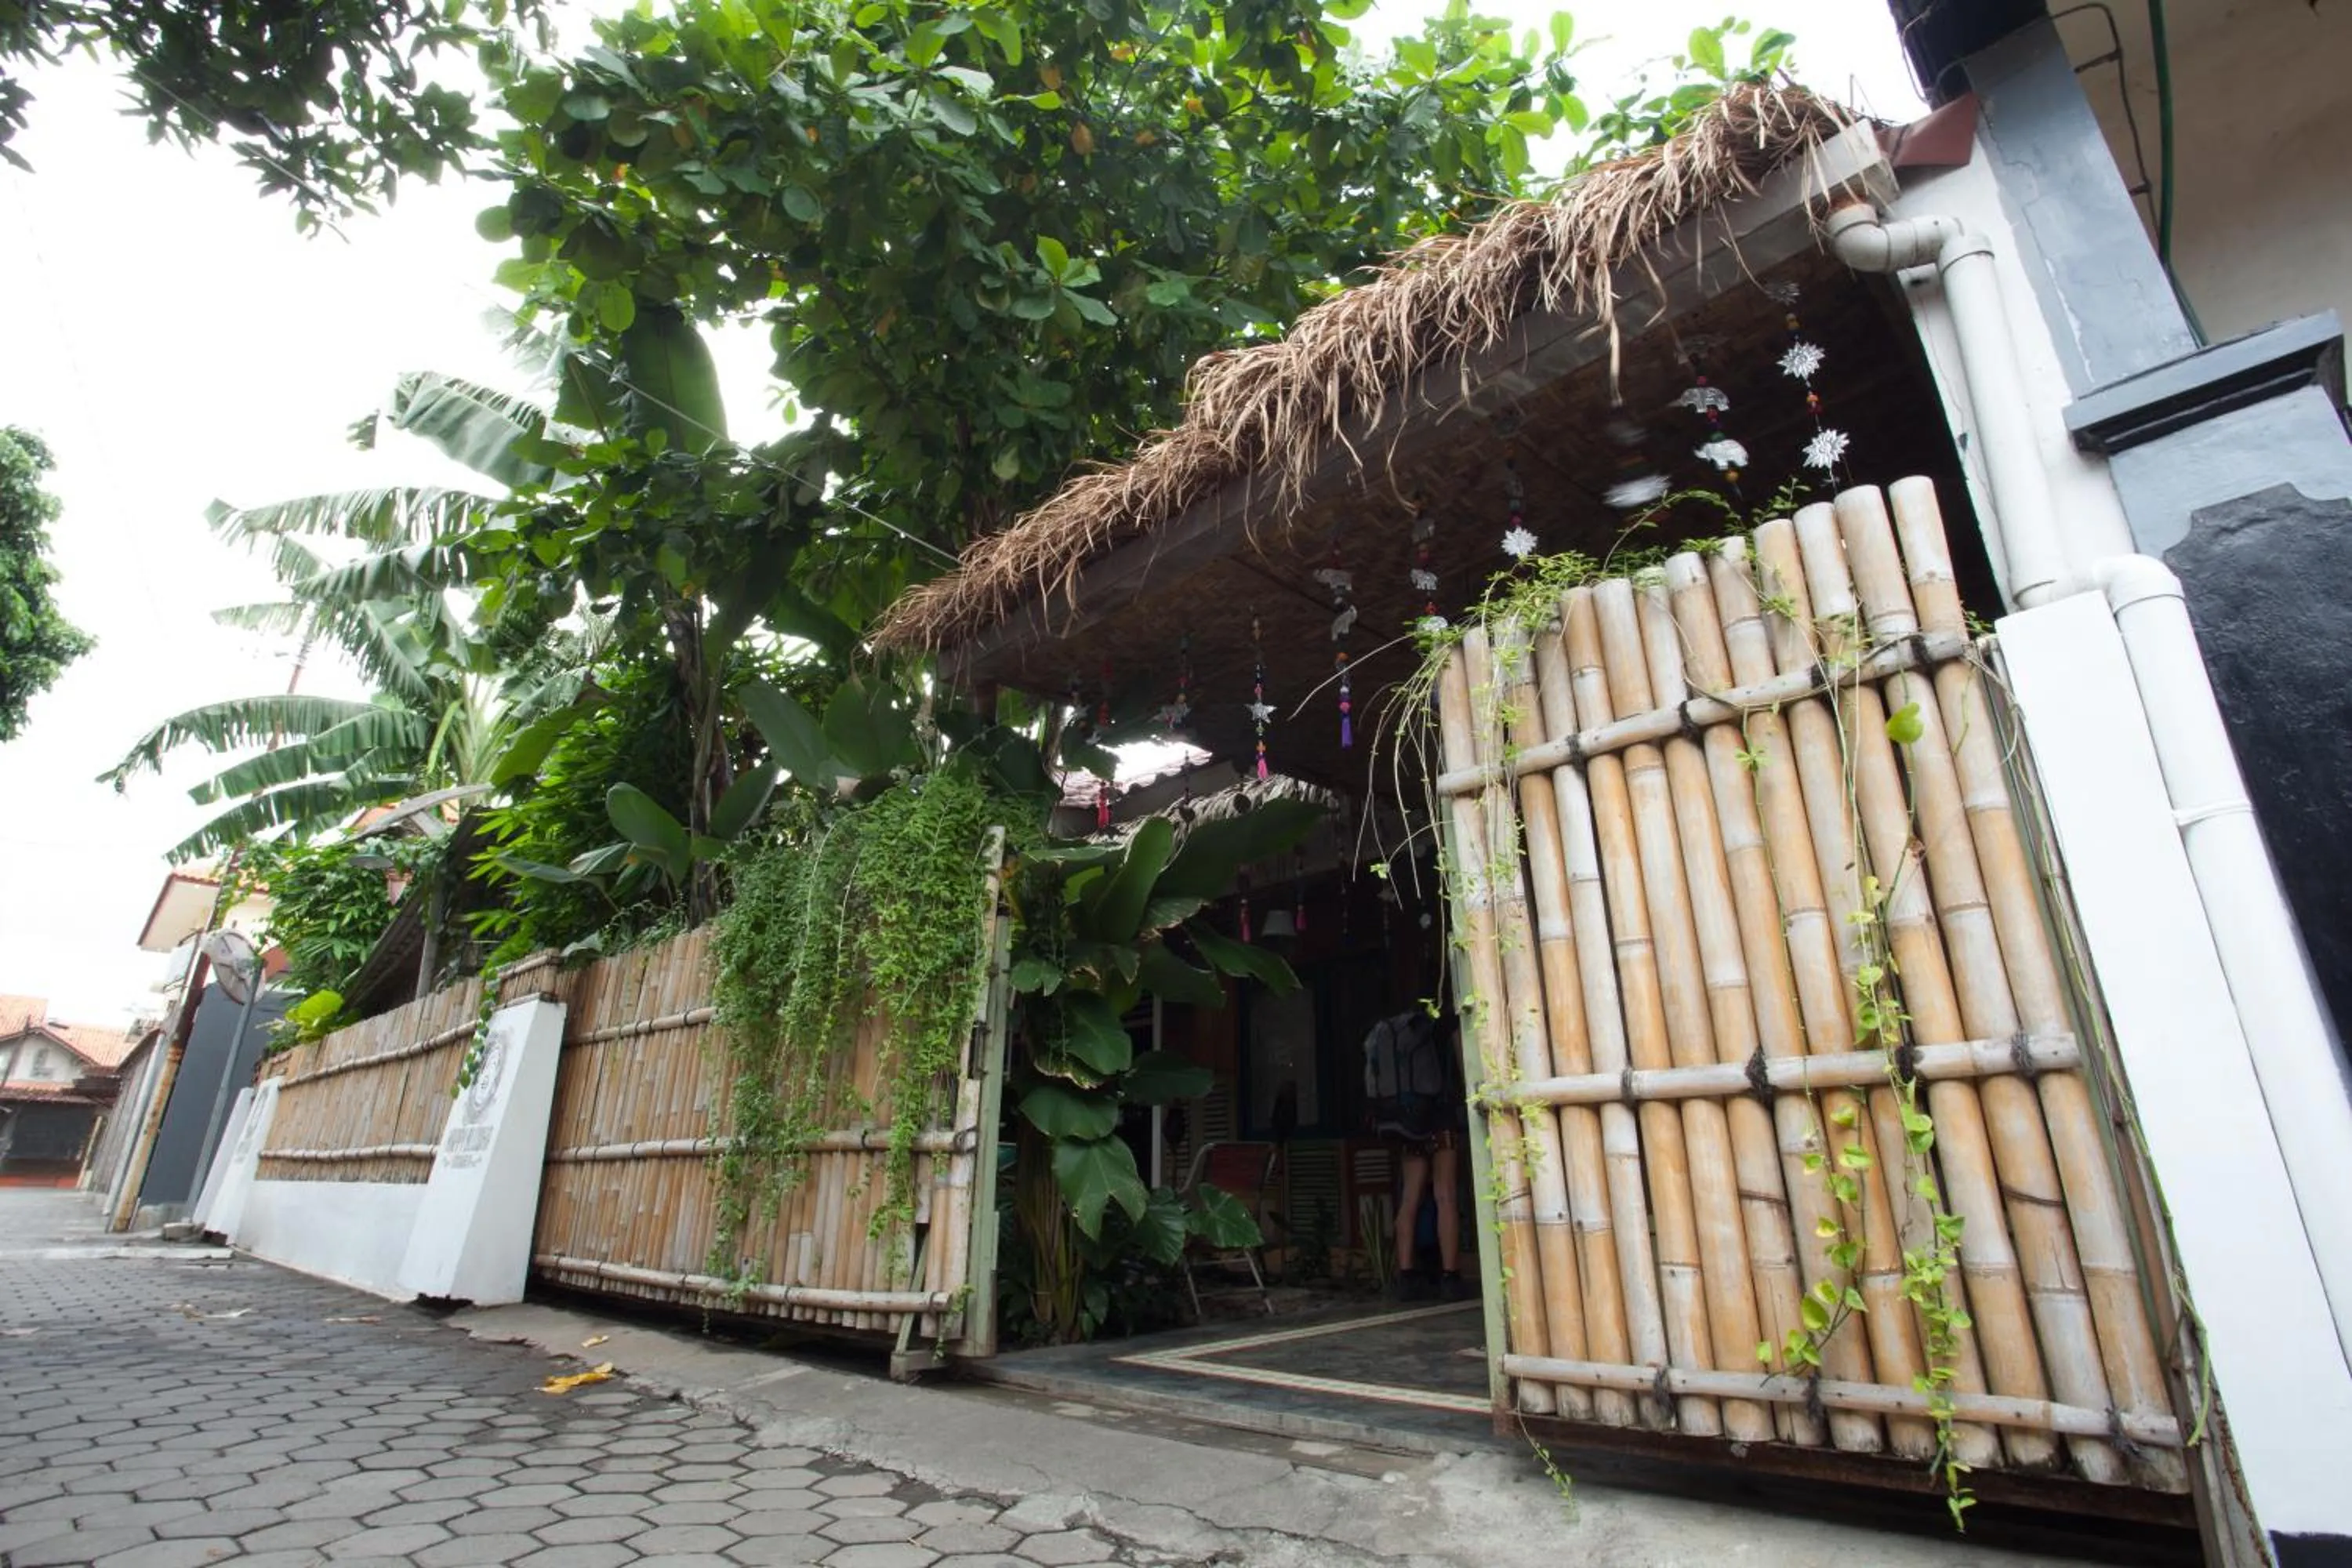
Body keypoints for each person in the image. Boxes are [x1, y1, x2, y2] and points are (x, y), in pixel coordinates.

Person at [1363, 1008, 1472, 1301]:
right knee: (1445, 1195)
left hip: (1407, 1119)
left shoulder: (1403, 1029)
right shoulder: (1446, 1024)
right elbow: (1466, 1070)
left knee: (1409, 1198)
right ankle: (1450, 1276)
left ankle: (1406, 1274)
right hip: (1442, 1116)